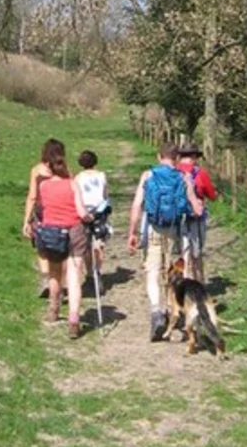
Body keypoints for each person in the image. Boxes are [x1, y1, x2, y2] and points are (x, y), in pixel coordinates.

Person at [127, 142, 204, 341]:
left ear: (158, 156)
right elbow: (197, 210)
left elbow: (136, 206)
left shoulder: (148, 175)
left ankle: (156, 311)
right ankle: (174, 310)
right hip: (176, 232)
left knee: (152, 271)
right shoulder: (183, 177)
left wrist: (132, 233)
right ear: (177, 158)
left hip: (153, 229)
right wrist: (197, 205)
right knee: (175, 273)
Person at [35, 145, 92, 339]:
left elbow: (42, 209)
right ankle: (74, 318)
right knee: (74, 275)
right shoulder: (72, 184)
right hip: (74, 230)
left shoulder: (43, 186)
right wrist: (90, 218)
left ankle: (53, 309)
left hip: (51, 231)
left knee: (54, 273)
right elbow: (82, 212)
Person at [22, 138, 59, 298]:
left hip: (41, 212)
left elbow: (32, 196)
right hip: (58, 212)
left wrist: (26, 219)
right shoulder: (63, 170)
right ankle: (57, 282)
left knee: (41, 245)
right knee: (59, 247)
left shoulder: (36, 170)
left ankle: (45, 277)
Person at [176, 142, 218, 284]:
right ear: (194, 157)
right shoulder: (200, 173)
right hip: (195, 217)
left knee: (182, 252)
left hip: (174, 218)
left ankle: (181, 283)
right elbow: (211, 195)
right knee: (196, 252)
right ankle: (198, 283)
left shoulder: (173, 171)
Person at [74, 149, 110, 284]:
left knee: (87, 243)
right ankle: (97, 270)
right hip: (99, 212)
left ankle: (89, 272)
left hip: (83, 212)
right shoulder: (102, 176)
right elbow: (105, 193)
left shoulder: (77, 178)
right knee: (99, 243)